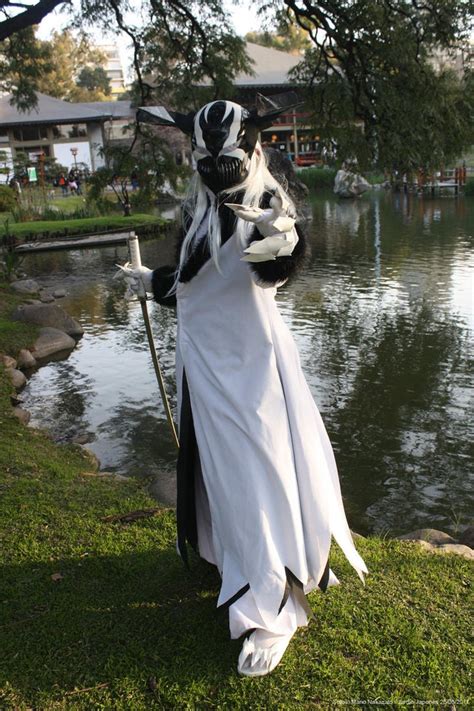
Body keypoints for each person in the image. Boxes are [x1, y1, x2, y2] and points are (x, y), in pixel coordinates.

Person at [122, 98, 368, 677]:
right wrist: (151, 281)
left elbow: (270, 270)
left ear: (254, 152)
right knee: (225, 477)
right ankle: (234, 557)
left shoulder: (263, 204)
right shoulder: (201, 211)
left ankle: (271, 606)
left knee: (260, 475)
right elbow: (198, 282)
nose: (214, 172)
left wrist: (280, 238)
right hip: (204, 368)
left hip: (252, 372)